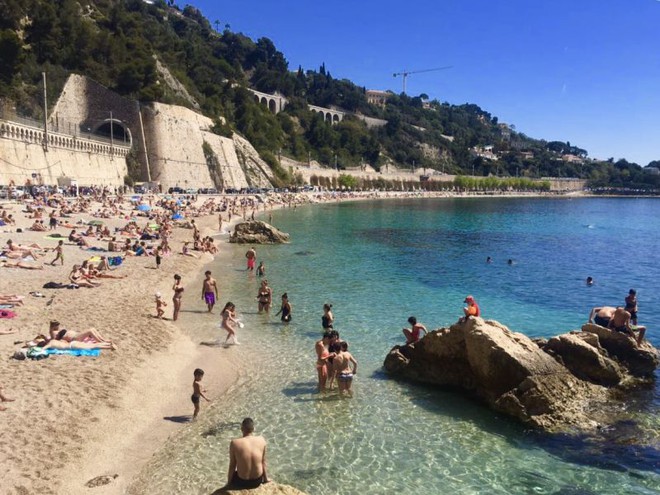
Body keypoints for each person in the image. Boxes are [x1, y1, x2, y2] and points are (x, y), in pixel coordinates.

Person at [227, 418, 269, 489]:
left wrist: (228, 484)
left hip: (242, 482)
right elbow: (263, 462)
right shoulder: (261, 440)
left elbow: (232, 465)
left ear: (241, 429)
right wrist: (266, 479)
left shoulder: (235, 443)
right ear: (253, 429)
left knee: (235, 474)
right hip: (257, 481)